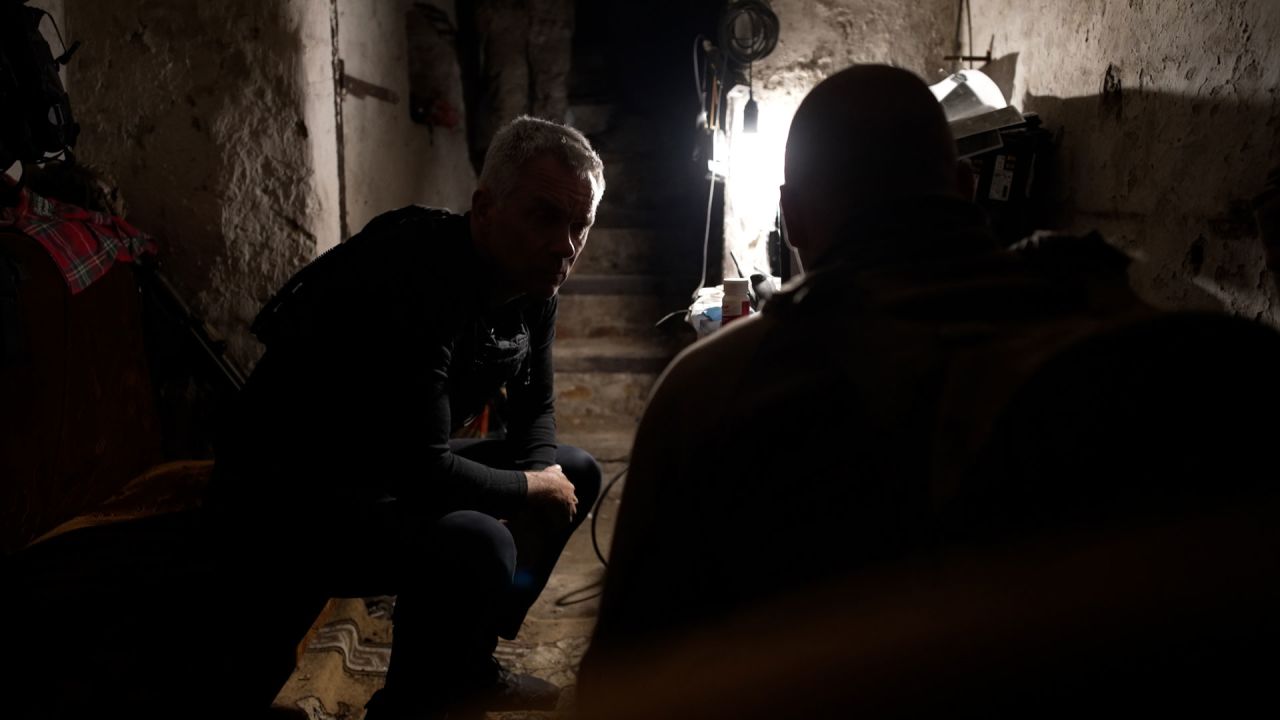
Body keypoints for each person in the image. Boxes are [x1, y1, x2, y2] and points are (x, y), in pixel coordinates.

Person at [577, 65, 1280, 715]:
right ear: (968, 190)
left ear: (791, 219)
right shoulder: (1178, 355)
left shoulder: (709, 391)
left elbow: (619, 684)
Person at [203, 116, 605, 719]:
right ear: (485, 207)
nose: (564, 245)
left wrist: (539, 474)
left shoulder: (533, 278)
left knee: (574, 471)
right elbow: (423, 472)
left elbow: (535, 409)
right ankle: (409, 704)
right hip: (293, 493)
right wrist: (527, 487)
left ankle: (462, 662)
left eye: (580, 226)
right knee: (482, 539)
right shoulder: (414, 274)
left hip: (386, 473)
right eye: (545, 216)